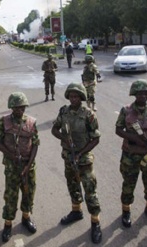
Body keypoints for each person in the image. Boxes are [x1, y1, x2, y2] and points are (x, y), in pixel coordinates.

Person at [51, 82, 102, 244]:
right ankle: (76, 211)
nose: (73, 99)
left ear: (81, 97)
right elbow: (54, 129)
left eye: (76, 96)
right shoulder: (64, 112)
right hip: (68, 157)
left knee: (90, 189)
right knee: (72, 185)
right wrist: (64, 138)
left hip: (84, 158)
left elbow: (96, 138)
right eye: (71, 96)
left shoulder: (88, 114)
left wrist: (80, 153)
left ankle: (95, 222)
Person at [115, 80, 147, 228]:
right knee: (128, 184)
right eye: (140, 93)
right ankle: (126, 211)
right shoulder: (126, 110)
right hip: (130, 156)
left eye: (146, 93)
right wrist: (135, 138)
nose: (143, 96)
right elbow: (118, 130)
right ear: (134, 94)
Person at [0, 92, 39, 243]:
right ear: (12, 107)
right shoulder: (4, 122)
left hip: (28, 167)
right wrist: (11, 155)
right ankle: (8, 224)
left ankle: (26, 218)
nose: (20, 110)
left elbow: (35, 144)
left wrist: (29, 164)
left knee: (28, 193)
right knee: (11, 196)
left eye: (23, 107)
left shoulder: (31, 122)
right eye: (17, 107)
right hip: (12, 168)